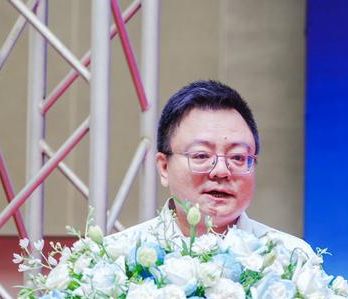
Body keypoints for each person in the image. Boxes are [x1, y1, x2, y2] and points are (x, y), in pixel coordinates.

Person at [110, 80, 313, 258]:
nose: (221, 171)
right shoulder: (116, 257)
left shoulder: (291, 258)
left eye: (238, 157)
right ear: (164, 167)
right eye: (201, 156)